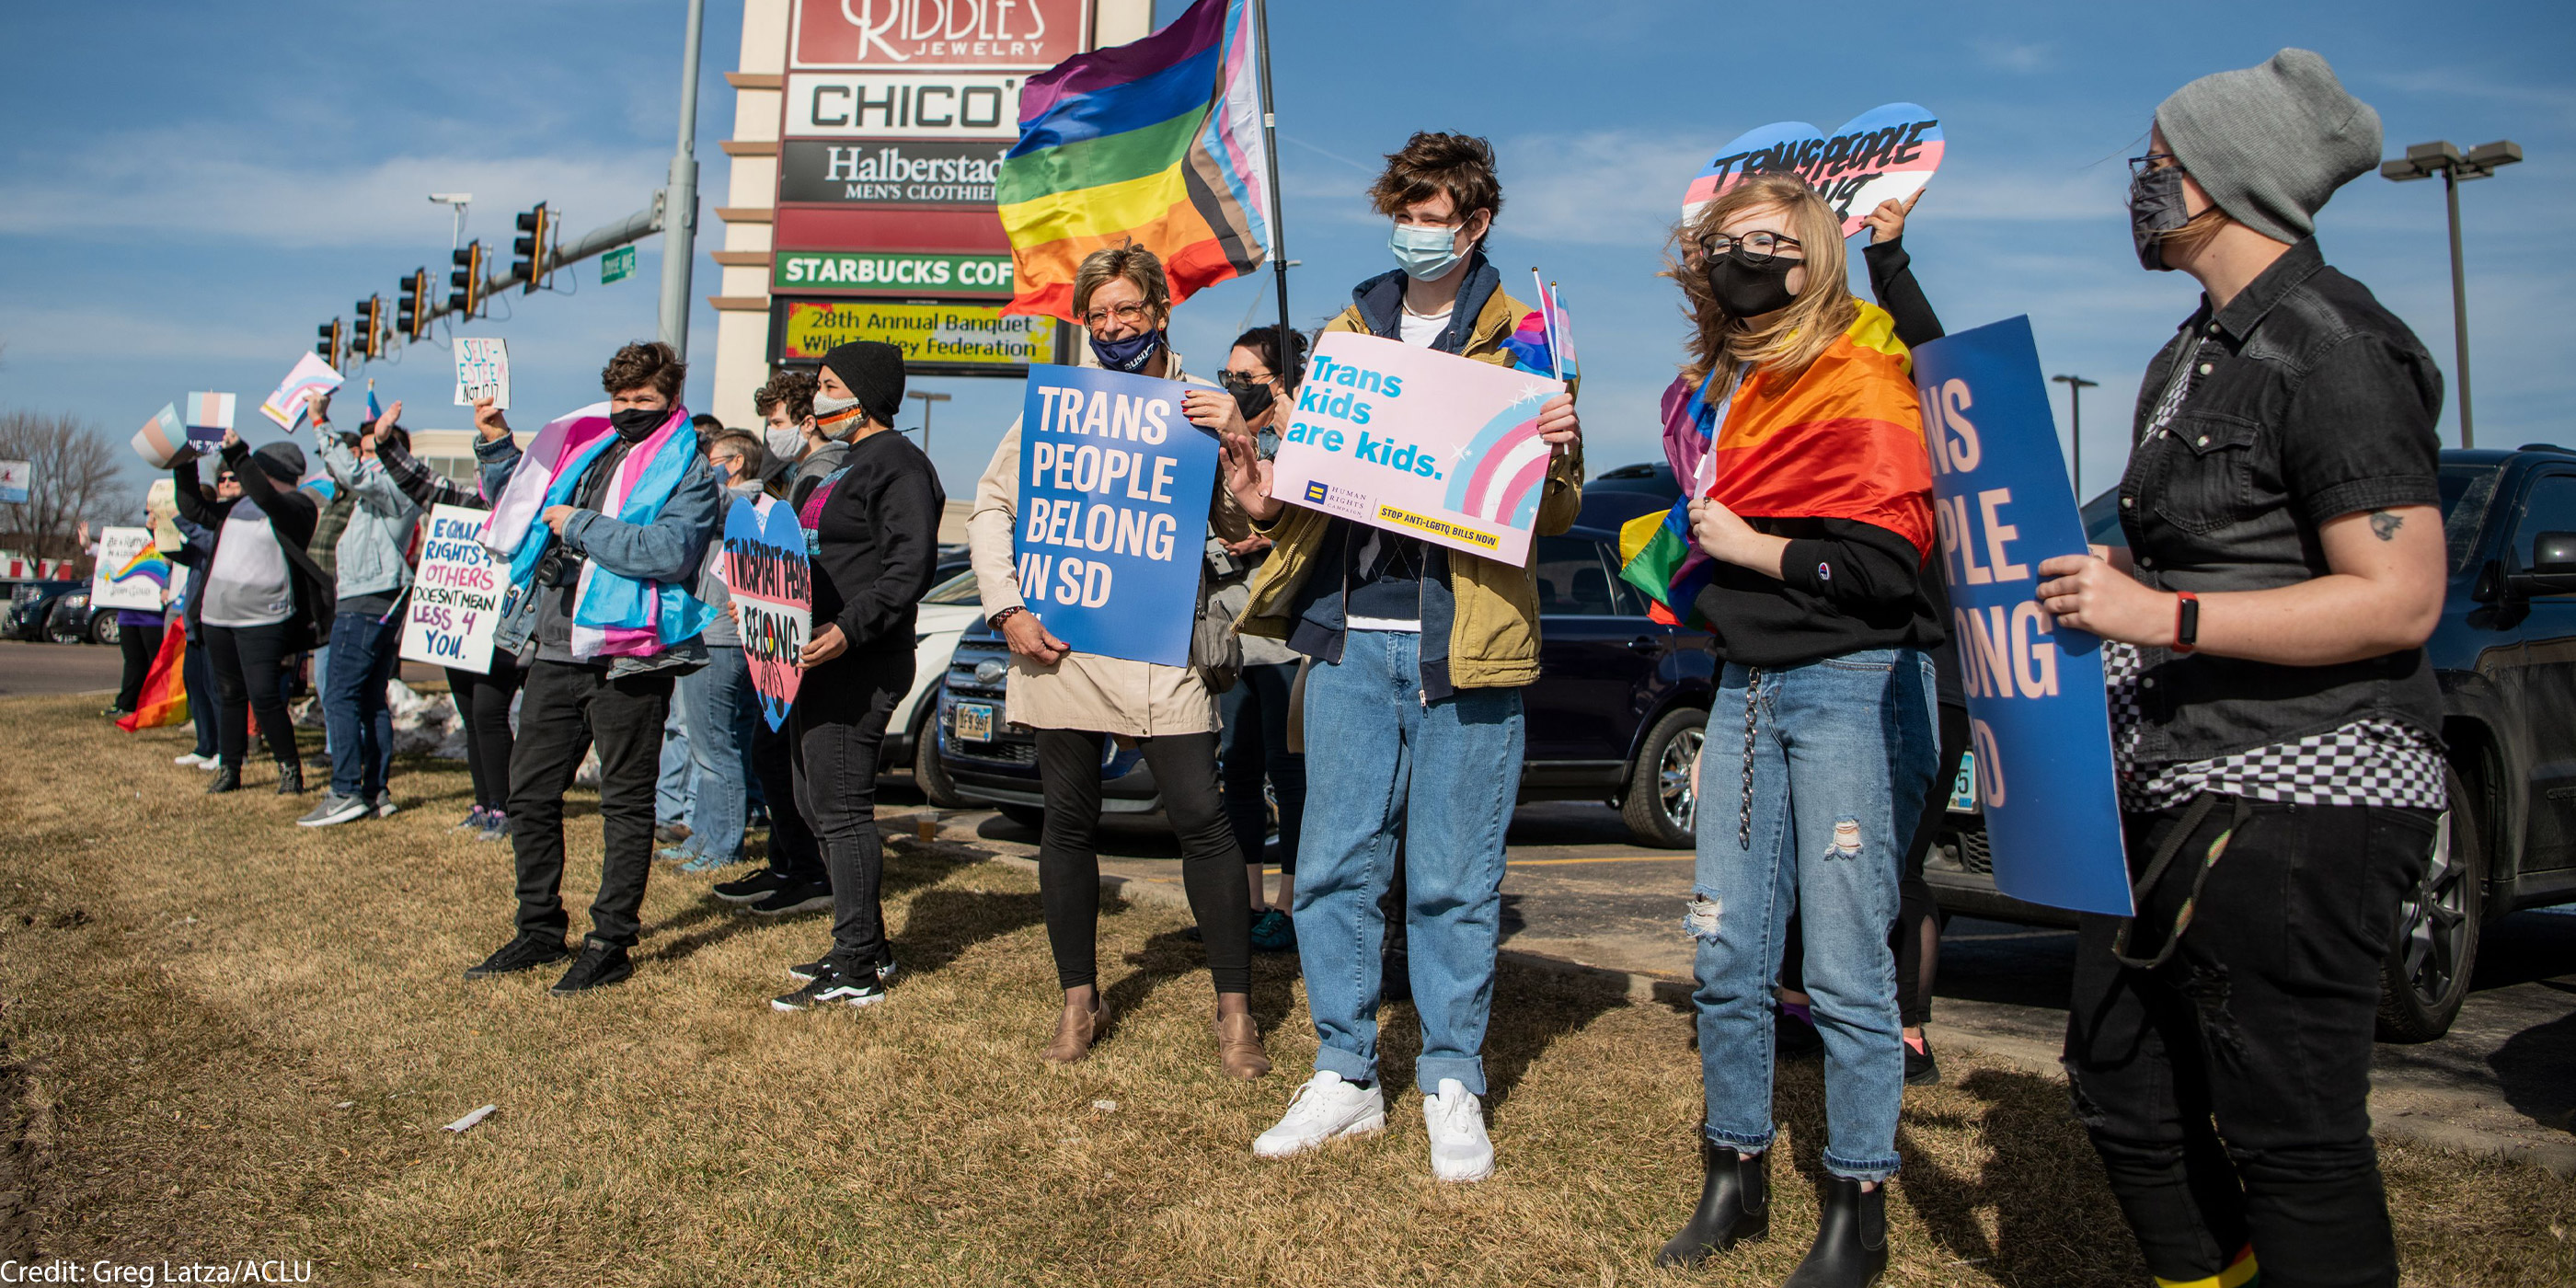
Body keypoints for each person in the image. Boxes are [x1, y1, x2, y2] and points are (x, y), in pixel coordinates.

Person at [2040, 52, 2444, 1288]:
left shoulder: (2335, 349)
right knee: (2121, 1082)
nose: (2139, 189)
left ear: (2224, 182)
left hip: (2313, 798)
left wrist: (2164, 618)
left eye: (2157, 168)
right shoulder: (2185, 357)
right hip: (2176, 777)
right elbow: (2196, 548)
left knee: (2293, 1133)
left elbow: (2399, 594)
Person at [1225, 132, 1583, 1180]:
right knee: (1332, 864)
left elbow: (1550, 513)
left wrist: (1556, 445)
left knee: (1451, 879)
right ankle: (1345, 1068)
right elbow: (1318, 483)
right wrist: (1263, 489)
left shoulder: (1526, 341)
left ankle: (1450, 1076)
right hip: (1347, 638)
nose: (1415, 230)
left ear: (1474, 225)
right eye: (1404, 210)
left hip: (1462, 648)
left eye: (1434, 214)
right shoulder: (1346, 329)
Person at [1646, 173, 1942, 1285]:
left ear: (1813, 252)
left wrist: (1750, 547)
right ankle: (1734, 1169)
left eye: (1768, 240)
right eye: (1726, 241)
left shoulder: (1861, 369)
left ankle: (1855, 1199)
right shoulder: (1724, 388)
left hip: (1846, 684)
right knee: (1723, 943)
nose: (1743, 256)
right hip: (1745, 683)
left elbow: (1879, 568)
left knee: (1846, 963)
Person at [965, 246, 1271, 1077]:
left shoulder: (1200, 405)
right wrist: (1008, 607)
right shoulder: (1056, 407)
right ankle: (1080, 998)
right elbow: (993, 507)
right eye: (1097, 315)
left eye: (1126, 310)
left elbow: (1261, 513)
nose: (1111, 327)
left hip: (1163, 642)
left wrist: (1239, 445)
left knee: (1200, 818)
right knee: (1067, 820)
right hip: (1063, 639)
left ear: (1159, 312)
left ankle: (1234, 1009)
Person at [1769, 190, 1970, 1087]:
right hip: (1829, 658)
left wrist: (1890, 257)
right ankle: (1802, 1003)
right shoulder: (1812, 424)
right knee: (1819, 860)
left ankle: (1904, 1027)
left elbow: (1939, 360)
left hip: (1925, 664)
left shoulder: (1913, 420)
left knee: (1890, 861)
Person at [462, 341, 723, 996]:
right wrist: (496, 444)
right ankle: (540, 928)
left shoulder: (689, 468)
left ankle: (611, 941)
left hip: (631, 657)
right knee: (528, 792)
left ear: (672, 400)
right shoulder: (588, 447)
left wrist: (579, 525)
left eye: (645, 400)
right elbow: (521, 506)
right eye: (622, 399)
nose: (630, 411)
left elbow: (667, 551)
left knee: (625, 802)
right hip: (553, 646)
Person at [767, 342, 945, 1011]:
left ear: (865, 395)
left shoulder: (897, 464)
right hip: (810, 657)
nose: (817, 395)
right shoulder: (844, 464)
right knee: (814, 801)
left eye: (830, 383)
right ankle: (866, 941)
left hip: (858, 659)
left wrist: (848, 628)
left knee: (841, 811)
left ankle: (855, 967)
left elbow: (909, 565)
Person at [712, 367, 845, 915]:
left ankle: (808, 871)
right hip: (785, 641)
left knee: (780, 759)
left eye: (777, 423)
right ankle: (788, 863)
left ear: (806, 422)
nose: (771, 434)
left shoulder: (824, 473)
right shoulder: (798, 474)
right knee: (772, 755)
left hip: (808, 648)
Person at [376, 402, 522, 842]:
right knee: (470, 715)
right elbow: (421, 484)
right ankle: (484, 803)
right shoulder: (463, 502)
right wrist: (385, 445)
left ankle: (508, 807)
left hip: (499, 628)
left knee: (488, 711)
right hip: (459, 627)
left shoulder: (521, 507)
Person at [1210, 325, 1309, 953]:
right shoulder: (1216, 443)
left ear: (1279, 383)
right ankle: (1245, 902)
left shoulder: (1304, 441)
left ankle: (1290, 905)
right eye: (1228, 376)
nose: (1233, 388)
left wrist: (1270, 532)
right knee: (1236, 766)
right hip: (1228, 629)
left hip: (1286, 631)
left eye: (1246, 378)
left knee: (1289, 769)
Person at [174, 431, 330, 795]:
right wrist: (184, 464)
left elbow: (266, 497)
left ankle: (289, 769)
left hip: (263, 618)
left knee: (263, 696)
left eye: (254, 470)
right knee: (228, 694)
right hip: (218, 615)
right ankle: (230, 768)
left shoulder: (297, 506)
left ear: (268, 472)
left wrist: (237, 454)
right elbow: (192, 508)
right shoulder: (237, 508)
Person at [297, 395, 424, 827]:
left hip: (368, 602)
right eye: (366, 452)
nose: (364, 460)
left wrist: (319, 420)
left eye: (374, 452)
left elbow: (348, 470)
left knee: (340, 696)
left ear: (397, 456)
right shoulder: (375, 493)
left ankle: (346, 790)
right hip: (368, 598)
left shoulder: (397, 485)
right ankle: (374, 791)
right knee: (370, 700)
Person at [659, 431, 767, 875]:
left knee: (713, 747)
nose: (704, 466)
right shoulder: (741, 503)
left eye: (711, 459)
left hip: (720, 637)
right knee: (717, 745)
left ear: (736, 463)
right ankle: (703, 836)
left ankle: (722, 846)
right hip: (717, 634)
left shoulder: (741, 503)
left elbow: (704, 502)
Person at [86, 518, 168, 719]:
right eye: (148, 515)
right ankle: (126, 704)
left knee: (155, 662)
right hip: (128, 615)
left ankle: (154, 705)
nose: (150, 519)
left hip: (153, 617)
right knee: (133, 661)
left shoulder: (167, 541)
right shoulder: (132, 542)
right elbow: (112, 555)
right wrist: (89, 546)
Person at [167, 508, 223, 770]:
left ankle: (228, 749)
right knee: (195, 685)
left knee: (216, 688)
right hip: (194, 625)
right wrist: (158, 527)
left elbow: (206, 542)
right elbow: (176, 552)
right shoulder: (198, 546)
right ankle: (205, 745)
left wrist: (178, 515)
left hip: (214, 622)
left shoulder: (216, 537)